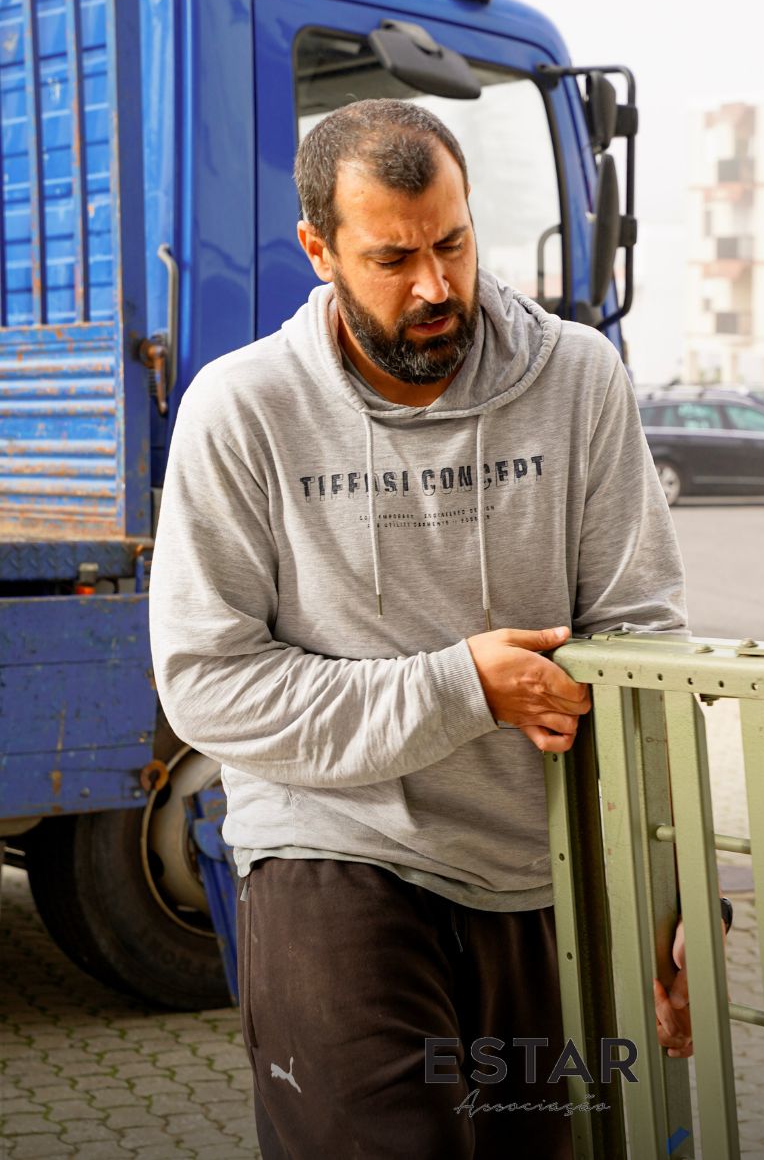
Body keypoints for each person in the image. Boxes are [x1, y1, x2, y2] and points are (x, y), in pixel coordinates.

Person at [148, 99, 691, 1159]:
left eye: (452, 242)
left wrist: (668, 896)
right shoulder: (243, 409)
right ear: (319, 248)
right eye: (395, 257)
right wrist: (464, 689)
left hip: (540, 871)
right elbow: (208, 685)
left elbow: (644, 648)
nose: (437, 285)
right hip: (330, 852)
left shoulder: (577, 378)